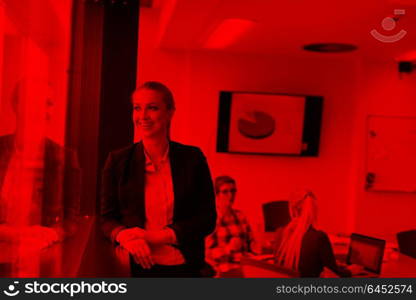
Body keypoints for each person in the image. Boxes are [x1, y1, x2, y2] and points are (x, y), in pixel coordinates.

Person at [101, 81, 216, 277]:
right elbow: (106, 218)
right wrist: (127, 237)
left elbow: (207, 219)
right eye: (137, 108)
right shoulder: (117, 160)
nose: (143, 116)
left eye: (152, 108)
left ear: (170, 112)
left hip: (185, 267)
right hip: (134, 267)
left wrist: (156, 237)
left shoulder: (193, 158)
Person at [0, 78, 80, 276]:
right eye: (37, 101)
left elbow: (72, 219)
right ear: (17, 105)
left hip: (38, 259)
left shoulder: (64, 158)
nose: (45, 111)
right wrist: (14, 234)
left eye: (49, 104)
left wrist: (52, 234)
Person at [273, 189, 362, 277]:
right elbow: (335, 272)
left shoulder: (280, 233)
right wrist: (350, 271)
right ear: (314, 211)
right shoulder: (319, 237)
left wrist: (330, 262)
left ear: (291, 210)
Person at [206, 175, 257, 275]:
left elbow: (251, 244)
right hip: (226, 269)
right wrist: (228, 248)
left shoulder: (240, 215)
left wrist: (256, 247)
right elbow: (206, 255)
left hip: (246, 265)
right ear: (216, 195)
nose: (230, 195)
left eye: (233, 191)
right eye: (225, 192)